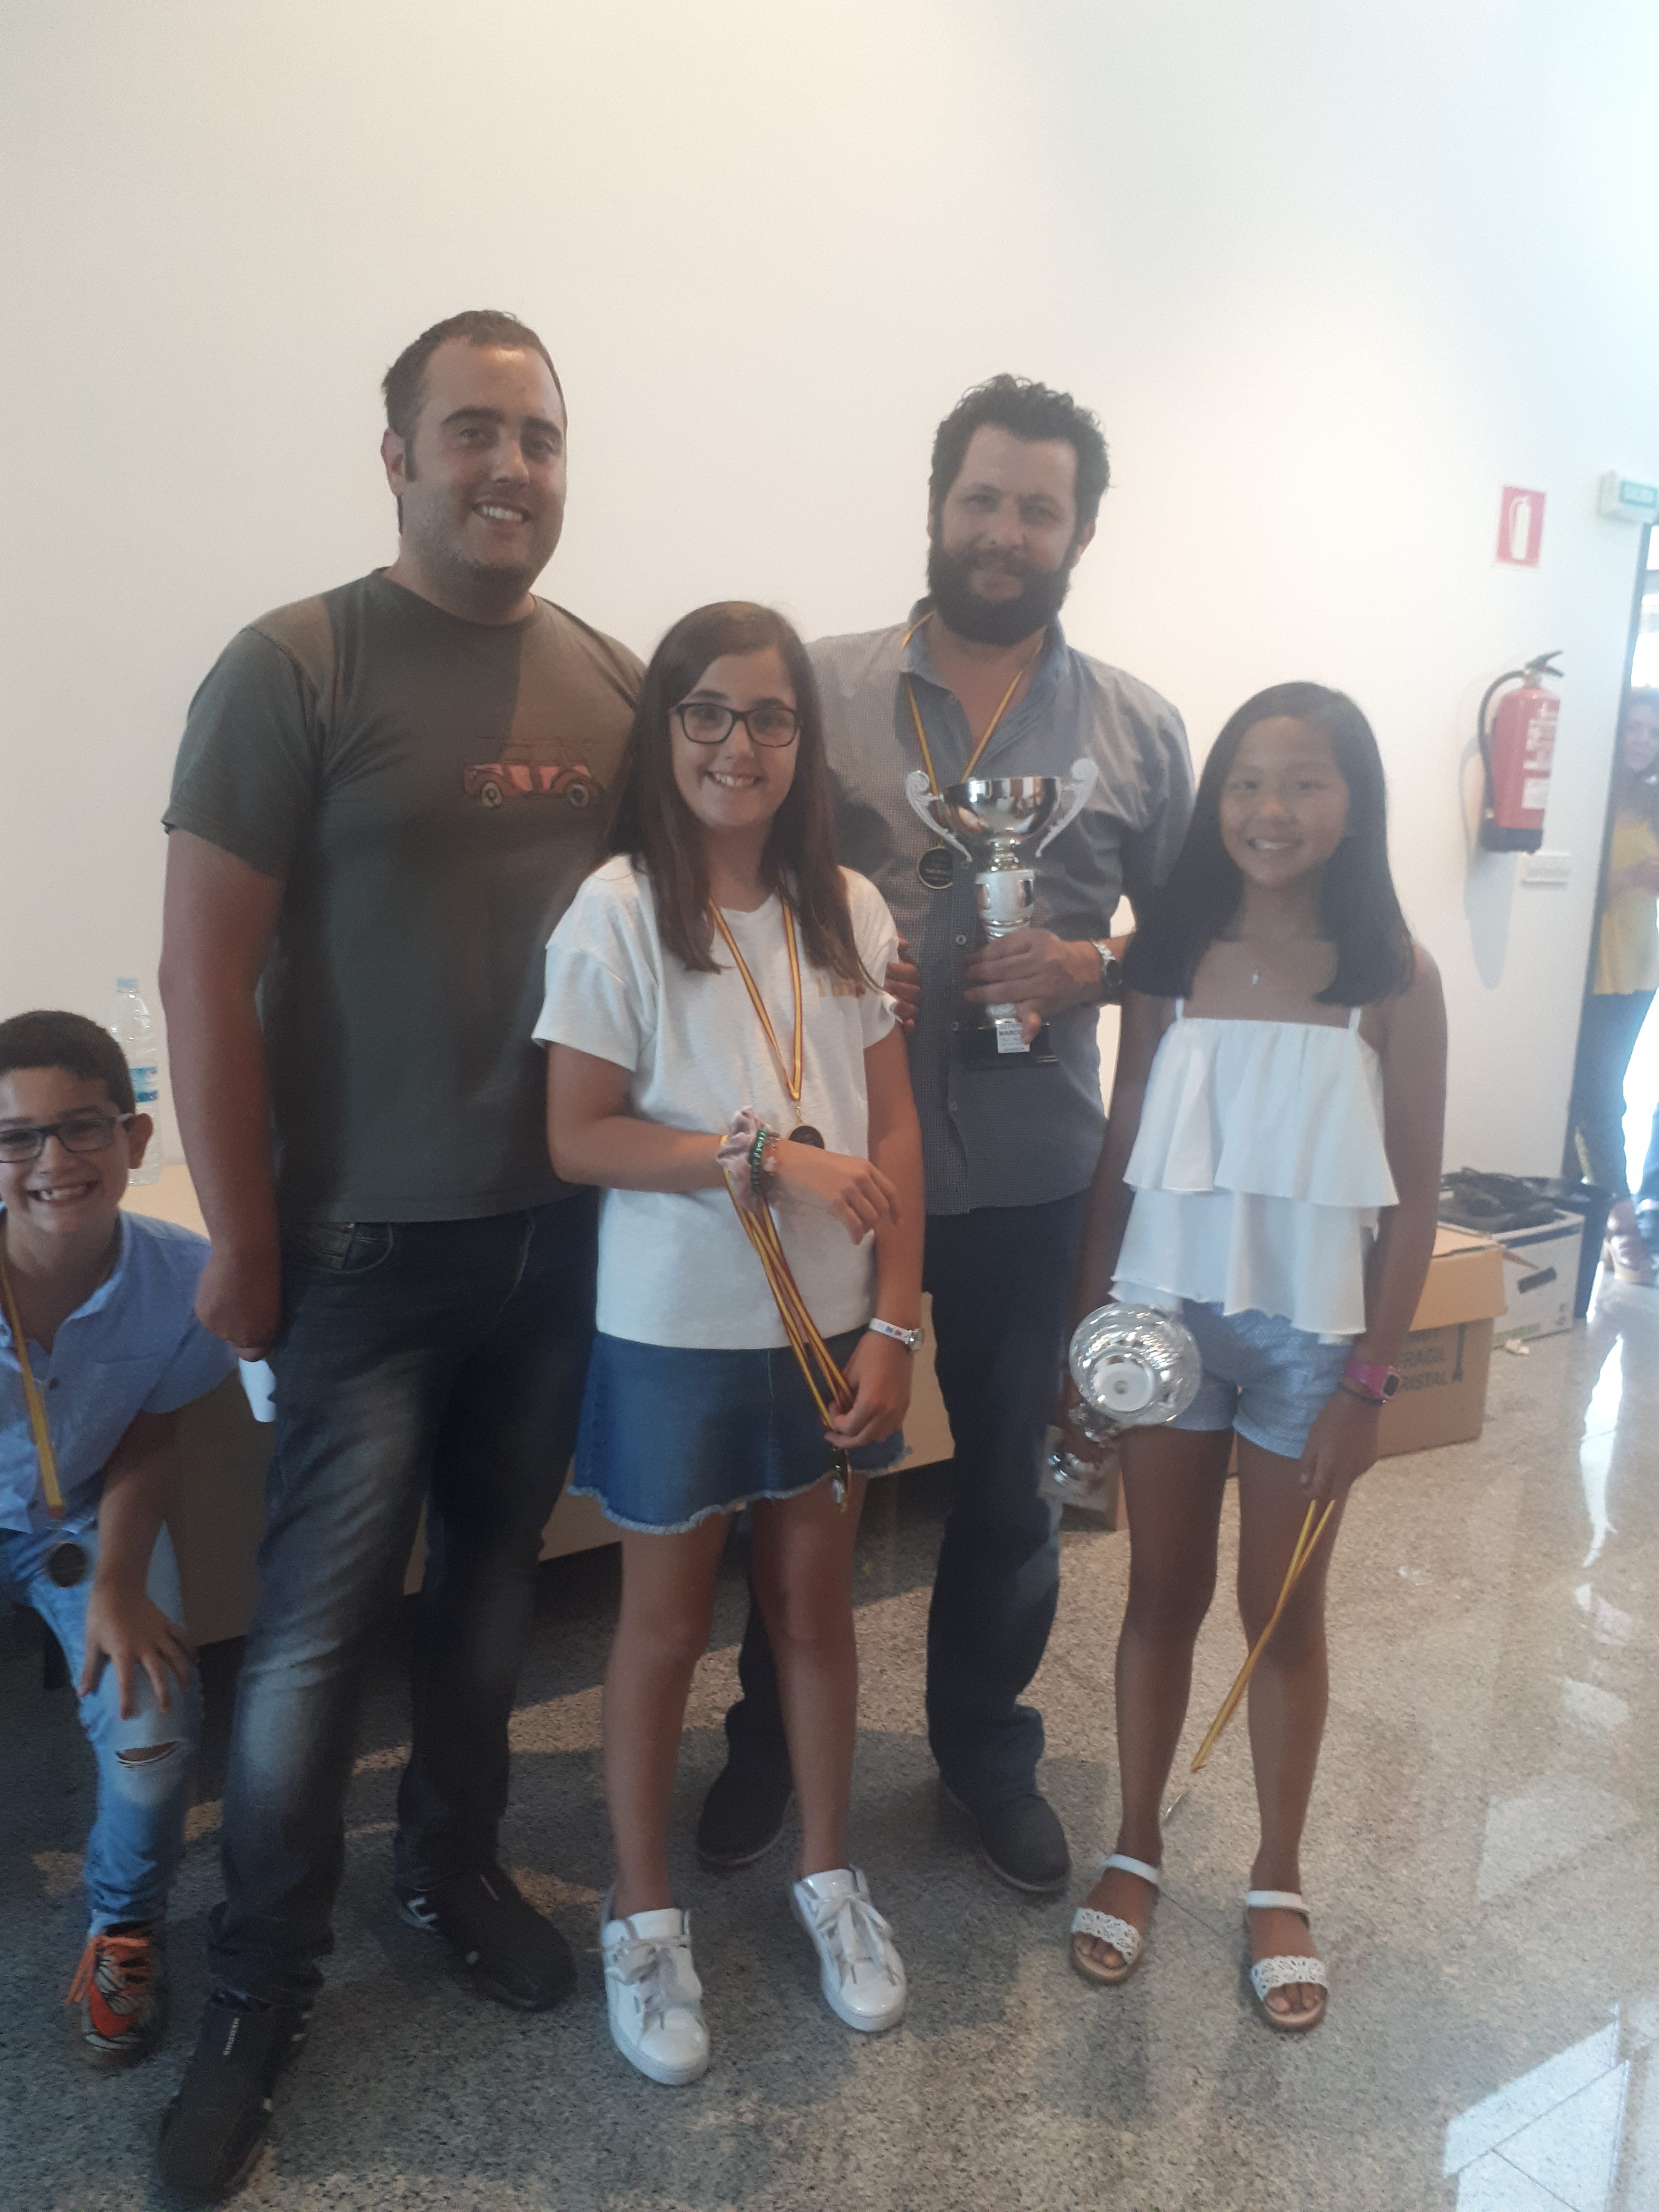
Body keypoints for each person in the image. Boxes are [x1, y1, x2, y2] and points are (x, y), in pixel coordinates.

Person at [155, 311, 642, 2196]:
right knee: (307, 1641)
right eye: (471, 432)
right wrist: (242, 1235)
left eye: (540, 437)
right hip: (358, 1249)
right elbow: (202, 969)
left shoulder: (614, 683)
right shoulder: (296, 665)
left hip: (558, 1236)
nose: (509, 467)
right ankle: (257, 1982)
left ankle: (448, 1867)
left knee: (493, 1590)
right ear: (398, 458)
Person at [699, 376, 1193, 1897]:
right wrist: (842, 955)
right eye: (982, 499)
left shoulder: (1138, 730)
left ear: (1081, 533)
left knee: (1010, 1491)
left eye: (1039, 508)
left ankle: (985, 1749)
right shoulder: (820, 690)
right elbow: (732, 882)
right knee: (807, 1478)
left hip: (1039, 1178)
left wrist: (1090, 964)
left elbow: (1186, 951)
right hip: (846, 1175)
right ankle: (769, 1741)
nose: (1005, 531)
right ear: (936, 507)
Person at [539, 602, 922, 2084]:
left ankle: (829, 1875)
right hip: (675, 1332)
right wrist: (762, 1158)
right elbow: (579, 1137)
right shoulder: (618, 909)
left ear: (803, 742)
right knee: (663, 1626)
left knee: (815, 1616)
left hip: (832, 1328)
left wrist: (898, 1320)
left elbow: (895, 1134)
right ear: (666, 730)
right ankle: (643, 1917)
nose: (738, 744)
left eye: (770, 717)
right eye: (707, 711)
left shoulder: (849, 909)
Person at [1059, 682, 1446, 2031]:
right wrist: (1087, 1335)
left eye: (1303, 783)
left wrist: (1367, 1384)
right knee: (1156, 1597)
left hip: (1306, 1347)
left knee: (1281, 1616)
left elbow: (1414, 1196)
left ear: (1353, 805)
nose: (1269, 811)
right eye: (1243, 783)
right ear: (1212, 803)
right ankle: (1134, 1846)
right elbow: (1121, 1147)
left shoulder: (1390, 976)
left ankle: (1277, 1876)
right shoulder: (1169, 960)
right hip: (1163, 1326)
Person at [0, 1011, 236, 2068]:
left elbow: (151, 1429)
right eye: (16, 1137)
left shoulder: (184, 1278)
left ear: (134, 1138)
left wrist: (123, 1583)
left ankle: (125, 1925)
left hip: (87, 1515)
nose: (53, 1160)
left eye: (82, 1126)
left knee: (152, 1727)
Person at [1564, 687, 1659, 1283]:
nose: (1642, 742)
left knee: (1602, 1094)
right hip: (1587, 970)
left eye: (1652, 732)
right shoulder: (1585, 802)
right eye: (1633, 729)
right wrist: (1628, 877)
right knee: (1599, 1100)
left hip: (1639, 971)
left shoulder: (1654, 805)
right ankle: (1620, 1226)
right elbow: (1567, 890)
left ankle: (1591, 1222)